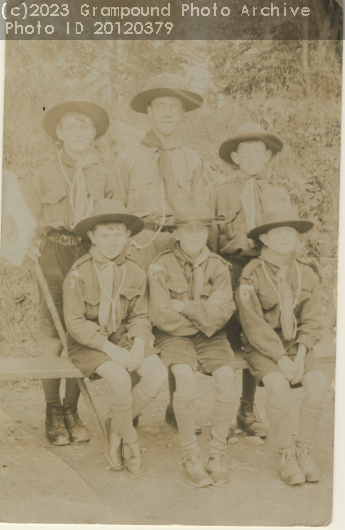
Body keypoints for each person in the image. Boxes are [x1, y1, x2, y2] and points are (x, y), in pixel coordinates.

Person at [115, 72, 212, 430]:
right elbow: (118, 211)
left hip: (177, 247)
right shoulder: (128, 157)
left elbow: (200, 212)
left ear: (182, 114)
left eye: (175, 108)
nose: (168, 114)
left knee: (175, 322)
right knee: (135, 321)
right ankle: (134, 408)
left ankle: (176, 406)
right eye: (161, 107)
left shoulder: (193, 160)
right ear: (150, 113)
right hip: (139, 248)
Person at [26, 100, 116, 446]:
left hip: (88, 255)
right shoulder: (44, 174)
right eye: (71, 128)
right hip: (53, 254)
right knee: (52, 336)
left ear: (94, 134)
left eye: (85, 127)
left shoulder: (106, 175)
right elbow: (30, 220)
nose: (78, 133)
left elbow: (115, 222)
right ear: (60, 135)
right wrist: (30, 242)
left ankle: (71, 408)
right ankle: (52, 411)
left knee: (80, 332)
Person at [63, 199, 167, 478]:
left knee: (157, 374)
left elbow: (141, 315)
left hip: (123, 337)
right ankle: (129, 441)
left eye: (118, 234)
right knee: (120, 378)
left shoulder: (134, 270)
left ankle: (116, 427)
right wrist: (108, 347)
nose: (111, 242)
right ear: (92, 237)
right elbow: (74, 322)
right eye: (105, 235)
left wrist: (137, 343)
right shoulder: (79, 272)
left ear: (128, 236)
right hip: (90, 343)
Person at [209, 122, 292, 438]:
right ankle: (224, 412)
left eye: (258, 152)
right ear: (235, 156)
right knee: (229, 345)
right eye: (246, 152)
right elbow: (211, 243)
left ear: (268, 156)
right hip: (231, 273)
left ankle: (247, 408)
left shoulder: (278, 193)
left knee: (258, 339)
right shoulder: (221, 192)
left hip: (266, 279)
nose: (252, 157)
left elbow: (288, 237)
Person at [235, 204, 328, 486]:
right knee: (277, 387)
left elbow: (313, 318)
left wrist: (300, 353)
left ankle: (303, 448)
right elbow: (253, 325)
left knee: (318, 385)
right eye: (278, 232)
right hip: (263, 347)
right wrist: (281, 357)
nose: (286, 238)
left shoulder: (306, 272)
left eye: (291, 232)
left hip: (296, 346)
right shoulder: (251, 273)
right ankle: (286, 453)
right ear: (263, 238)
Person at [148, 202, 236, 487]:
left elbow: (224, 311)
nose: (195, 235)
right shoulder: (160, 265)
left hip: (212, 337)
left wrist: (185, 306)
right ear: (176, 234)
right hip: (173, 336)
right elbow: (162, 316)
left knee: (226, 377)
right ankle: (190, 456)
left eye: (201, 229)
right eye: (188, 229)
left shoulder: (219, 266)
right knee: (184, 377)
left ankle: (217, 454)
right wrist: (203, 312)